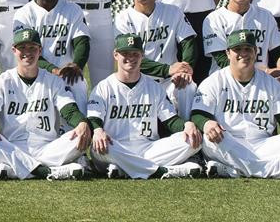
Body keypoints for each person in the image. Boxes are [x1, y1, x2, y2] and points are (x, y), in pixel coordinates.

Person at [191, 31, 280, 180]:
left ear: (255, 52)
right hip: (227, 140)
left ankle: (231, 171)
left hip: (262, 144)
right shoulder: (214, 81)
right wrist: (206, 123)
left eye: (248, 49)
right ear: (228, 53)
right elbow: (198, 114)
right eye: (237, 49)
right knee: (208, 140)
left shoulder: (271, 83)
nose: (243, 54)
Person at [0, 28, 91, 180]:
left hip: (48, 147)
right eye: (22, 48)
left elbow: (70, 110)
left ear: (40, 51)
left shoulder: (53, 81)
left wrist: (81, 122)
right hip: (12, 146)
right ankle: (49, 172)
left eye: (32, 48)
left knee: (79, 136)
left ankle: (15, 170)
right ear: (14, 50)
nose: (27, 52)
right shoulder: (2, 81)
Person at [82, 33, 203, 179]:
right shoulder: (104, 87)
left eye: (135, 53)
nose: (131, 58)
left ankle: (124, 169)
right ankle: (161, 171)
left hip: (148, 148)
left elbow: (170, 121)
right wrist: (98, 130)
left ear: (142, 56)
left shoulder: (154, 87)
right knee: (99, 147)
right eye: (125, 53)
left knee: (192, 140)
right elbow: (94, 118)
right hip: (114, 147)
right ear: (115, 55)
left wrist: (187, 125)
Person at [112, 0, 201, 119]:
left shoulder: (172, 11)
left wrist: (185, 69)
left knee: (188, 86)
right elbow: (128, 58)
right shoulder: (123, 18)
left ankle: (189, 133)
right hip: (139, 80)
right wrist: (168, 69)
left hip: (171, 79)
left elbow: (188, 42)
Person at [199, 0, 280, 84]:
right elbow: (222, 60)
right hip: (225, 79)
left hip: (262, 78)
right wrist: (264, 72)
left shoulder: (265, 16)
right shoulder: (214, 19)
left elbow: (279, 50)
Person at [12, 0, 89, 87]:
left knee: (79, 84)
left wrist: (77, 65)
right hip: (35, 74)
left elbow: (82, 42)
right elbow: (27, 52)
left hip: (68, 74)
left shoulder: (73, 10)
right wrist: (53, 70)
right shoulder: (23, 14)